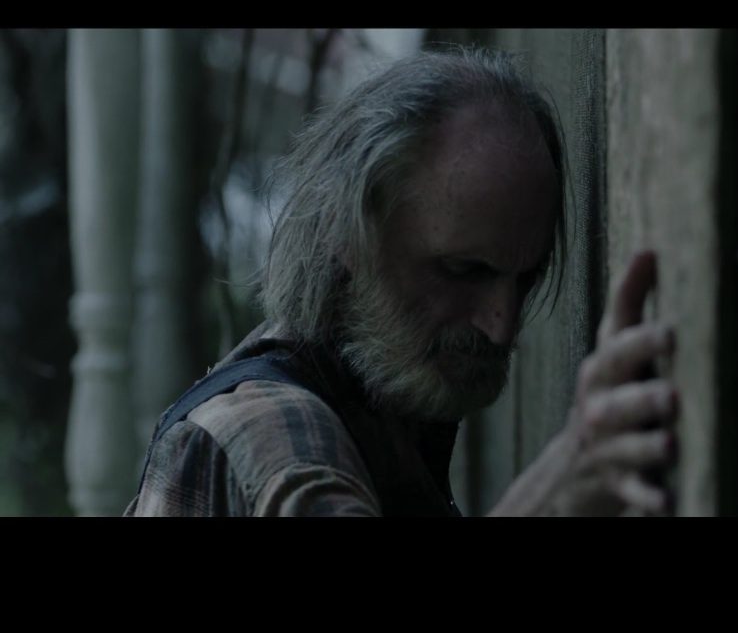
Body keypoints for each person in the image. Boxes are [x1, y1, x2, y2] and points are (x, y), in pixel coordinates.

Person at [125, 47, 679, 517]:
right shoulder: (272, 434)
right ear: (347, 231)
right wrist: (558, 491)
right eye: (463, 271)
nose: (502, 324)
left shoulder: (382, 421)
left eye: (526, 277)